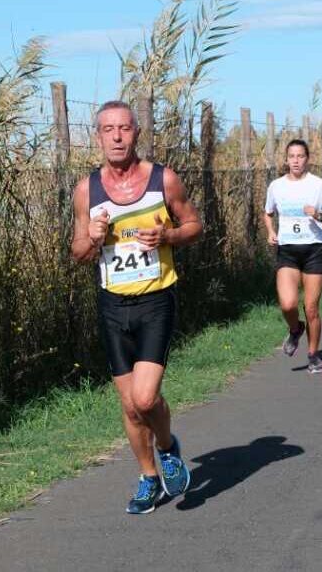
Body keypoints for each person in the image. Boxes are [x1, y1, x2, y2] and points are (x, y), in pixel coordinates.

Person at [71, 100, 202, 514]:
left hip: (155, 299)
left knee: (145, 400)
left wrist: (167, 236)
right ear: (97, 136)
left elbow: (195, 225)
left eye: (124, 128)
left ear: (137, 133)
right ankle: (149, 479)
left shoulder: (163, 180)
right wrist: (92, 236)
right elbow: (76, 253)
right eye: (108, 129)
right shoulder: (86, 190)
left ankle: (167, 447)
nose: (116, 136)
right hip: (112, 305)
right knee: (128, 404)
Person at [264, 140, 322, 373]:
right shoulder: (276, 186)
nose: (296, 160)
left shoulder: (319, 186)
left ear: (307, 158)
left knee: (311, 308)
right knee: (288, 305)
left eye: (300, 156)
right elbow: (268, 213)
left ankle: (313, 354)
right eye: (292, 156)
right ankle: (295, 329)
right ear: (286, 159)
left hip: (314, 251)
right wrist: (270, 231)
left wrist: (317, 214)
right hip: (287, 251)